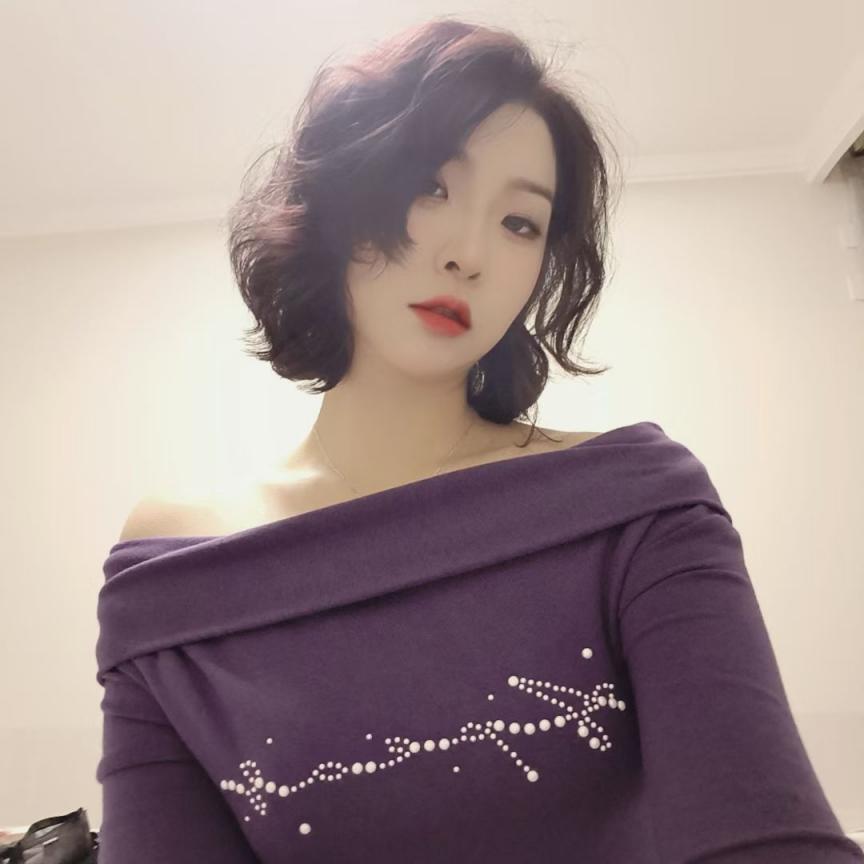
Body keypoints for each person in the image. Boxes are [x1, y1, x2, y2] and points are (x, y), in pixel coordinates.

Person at [94, 16, 864, 863]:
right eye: (431, 187)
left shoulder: (635, 508)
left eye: (520, 223)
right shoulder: (175, 571)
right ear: (342, 197)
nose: (468, 254)